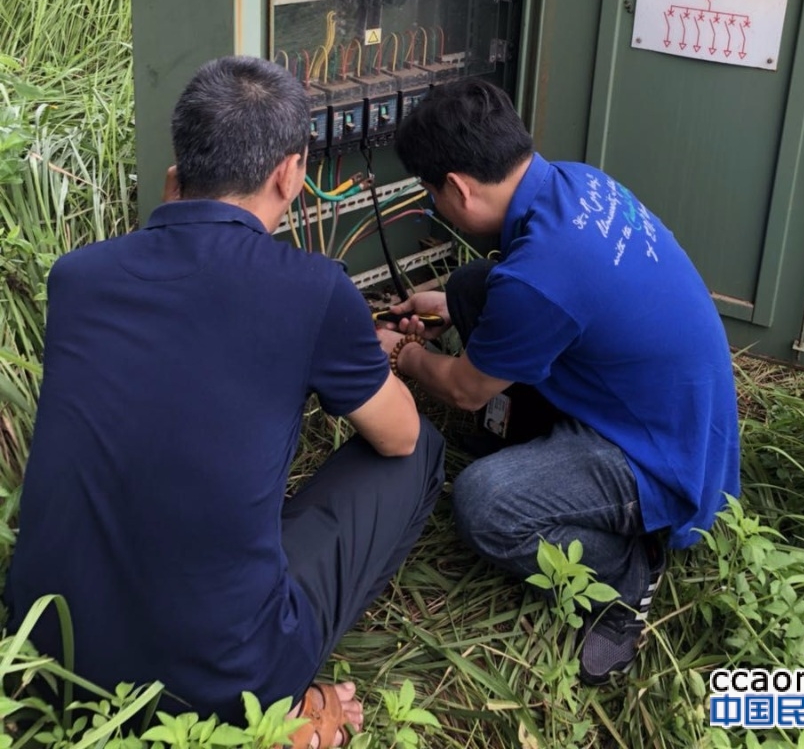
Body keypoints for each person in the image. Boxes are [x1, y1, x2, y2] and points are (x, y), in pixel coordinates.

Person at [5, 56, 445, 747]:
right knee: (422, 454)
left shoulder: (77, 278)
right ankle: (291, 704)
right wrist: (378, 353)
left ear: (174, 175)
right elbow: (398, 434)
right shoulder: (314, 289)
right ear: (291, 175)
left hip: (50, 651)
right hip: (218, 684)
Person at [378, 77, 739, 685]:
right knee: (471, 287)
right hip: (681, 412)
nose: (432, 201)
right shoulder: (573, 183)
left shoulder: (540, 277)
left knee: (484, 504)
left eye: (430, 191)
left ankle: (624, 577)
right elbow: (537, 291)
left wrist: (405, 358)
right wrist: (445, 303)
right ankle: (542, 448)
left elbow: (466, 389)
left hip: (661, 460)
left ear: (459, 189)